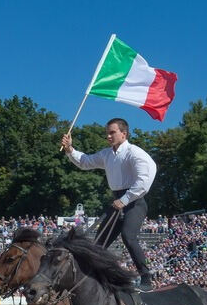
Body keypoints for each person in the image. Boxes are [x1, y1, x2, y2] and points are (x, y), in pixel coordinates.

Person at [61, 118, 156, 290]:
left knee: (128, 236)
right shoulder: (107, 154)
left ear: (124, 134)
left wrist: (125, 199)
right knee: (98, 244)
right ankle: (102, 279)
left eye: (112, 132)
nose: (108, 136)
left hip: (134, 202)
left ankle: (147, 277)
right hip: (117, 201)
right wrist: (69, 149)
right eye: (107, 133)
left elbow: (145, 180)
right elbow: (85, 162)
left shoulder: (135, 153)